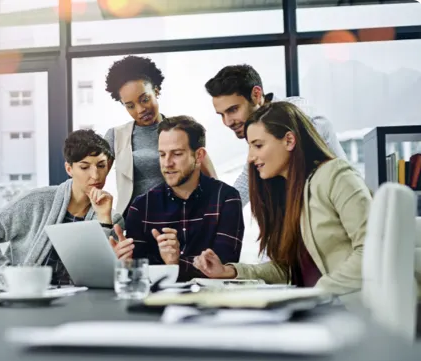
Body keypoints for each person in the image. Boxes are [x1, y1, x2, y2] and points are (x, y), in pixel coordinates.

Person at [193, 101, 370, 299]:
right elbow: (287, 270)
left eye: (258, 145)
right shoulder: (286, 194)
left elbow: (372, 251)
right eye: (250, 147)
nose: (251, 157)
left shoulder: (336, 175)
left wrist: (321, 291)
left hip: (348, 312)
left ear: (289, 140)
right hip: (313, 310)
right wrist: (230, 272)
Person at [0, 129, 124, 288]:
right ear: (69, 169)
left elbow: (101, 275)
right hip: (26, 298)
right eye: (84, 167)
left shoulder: (113, 218)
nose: (96, 176)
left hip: (78, 302)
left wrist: (104, 219)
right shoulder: (36, 201)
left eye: (101, 166)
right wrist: (8, 278)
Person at [109, 115, 244, 282]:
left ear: (199, 156)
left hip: (210, 302)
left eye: (177, 154)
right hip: (154, 304)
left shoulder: (226, 198)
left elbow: (223, 267)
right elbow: (139, 272)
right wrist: (126, 263)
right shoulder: (141, 207)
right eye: (162, 154)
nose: (167, 163)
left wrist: (174, 264)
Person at [205, 64, 347, 207]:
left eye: (233, 110)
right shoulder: (259, 127)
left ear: (256, 95)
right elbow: (247, 180)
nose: (227, 122)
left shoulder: (298, 115)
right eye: (221, 115)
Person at [105, 55, 218, 217]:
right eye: (130, 106)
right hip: (133, 224)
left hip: (178, 221)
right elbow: (91, 180)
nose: (140, 109)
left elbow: (212, 181)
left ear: (156, 91)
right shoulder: (116, 136)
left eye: (144, 99)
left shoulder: (182, 130)